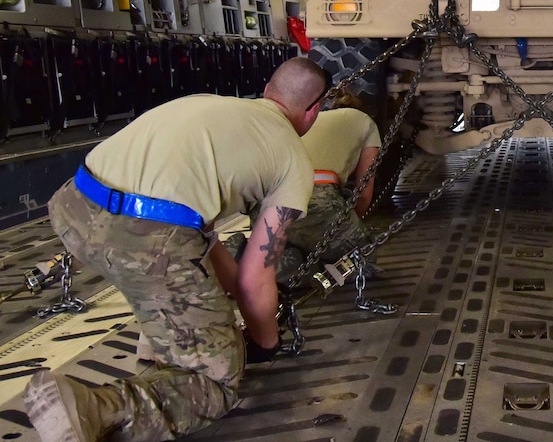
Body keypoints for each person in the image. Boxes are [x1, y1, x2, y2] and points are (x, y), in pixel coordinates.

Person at [24, 57, 330, 442]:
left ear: (269, 90)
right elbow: (257, 277)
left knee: (168, 282)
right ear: (314, 110)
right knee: (216, 383)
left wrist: (223, 298)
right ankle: (90, 409)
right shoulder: (292, 159)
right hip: (145, 240)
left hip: (73, 208)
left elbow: (202, 239)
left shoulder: (210, 105)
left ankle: (165, 351)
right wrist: (266, 342)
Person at [276, 90, 382, 284]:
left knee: (294, 243)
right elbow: (364, 193)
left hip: (271, 202)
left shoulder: (303, 121)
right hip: (318, 197)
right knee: (363, 262)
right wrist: (349, 227)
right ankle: (313, 271)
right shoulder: (364, 121)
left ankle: (282, 266)